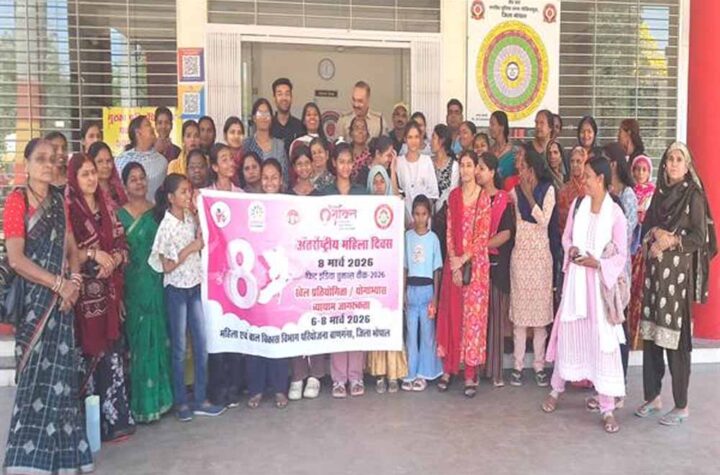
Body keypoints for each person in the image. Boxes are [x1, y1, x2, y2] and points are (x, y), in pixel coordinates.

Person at [2, 139, 94, 474]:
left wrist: (75, 281)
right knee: (34, 381)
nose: (47, 164)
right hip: (35, 305)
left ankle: (67, 459)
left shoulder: (58, 200)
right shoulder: (17, 200)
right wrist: (58, 284)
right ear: (26, 164)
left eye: (52, 159)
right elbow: (16, 259)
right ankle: (27, 462)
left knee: (63, 380)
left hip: (63, 304)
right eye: (39, 158)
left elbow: (71, 246)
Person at [543, 157, 628, 434]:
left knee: (601, 343)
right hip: (576, 284)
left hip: (599, 289)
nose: (584, 180)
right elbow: (566, 237)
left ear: (601, 179)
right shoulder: (578, 205)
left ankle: (607, 408)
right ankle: (556, 390)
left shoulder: (615, 214)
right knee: (569, 335)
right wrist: (570, 250)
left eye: (589, 176)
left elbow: (622, 255)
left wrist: (598, 263)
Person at [636, 142, 716, 426]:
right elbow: (646, 229)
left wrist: (672, 240)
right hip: (655, 277)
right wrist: (655, 233)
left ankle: (681, 405)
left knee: (676, 342)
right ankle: (653, 397)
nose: (672, 164)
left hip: (676, 282)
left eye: (678, 159)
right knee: (651, 338)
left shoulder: (693, 195)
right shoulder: (659, 194)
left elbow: (700, 238)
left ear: (687, 165)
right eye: (669, 159)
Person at [66, 153, 135, 442]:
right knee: (88, 357)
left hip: (109, 295)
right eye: (84, 174)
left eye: (93, 172)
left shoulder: (107, 206)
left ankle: (116, 420)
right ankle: (90, 426)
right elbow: (66, 253)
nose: (91, 178)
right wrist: (95, 254)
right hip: (82, 300)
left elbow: (123, 244)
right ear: (74, 178)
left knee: (112, 356)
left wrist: (115, 258)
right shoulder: (69, 210)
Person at [149, 174, 226, 421]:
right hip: (177, 290)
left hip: (195, 286)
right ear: (171, 197)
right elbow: (166, 266)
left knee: (202, 343)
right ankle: (181, 402)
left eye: (189, 191)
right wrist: (191, 248)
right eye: (183, 192)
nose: (187, 195)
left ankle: (201, 398)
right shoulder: (166, 226)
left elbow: (203, 235)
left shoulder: (191, 217)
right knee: (180, 347)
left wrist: (199, 207)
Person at [117, 162, 173, 423]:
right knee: (139, 345)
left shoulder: (158, 212)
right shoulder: (118, 216)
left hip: (157, 283)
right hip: (133, 288)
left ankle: (162, 400)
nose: (139, 183)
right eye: (133, 179)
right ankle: (142, 404)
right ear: (125, 185)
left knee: (159, 339)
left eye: (142, 178)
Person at [436, 150, 491, 398]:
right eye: (463, 165)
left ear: (476, 169)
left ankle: (470, 374)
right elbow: (449, 232)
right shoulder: (454, 196)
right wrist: (454, 263)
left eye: (470, 165)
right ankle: (449, 368)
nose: (466, 170)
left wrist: (463, 259)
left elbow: (482, 236)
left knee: (473, 322)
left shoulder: (483, 198)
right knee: (452, 316)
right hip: (455, 267)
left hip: (476, 269)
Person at [246, 158, 291, 409]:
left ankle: (280, 389)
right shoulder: (251, 206)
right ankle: (256, 389)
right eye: (265, 177)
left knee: (278, 335)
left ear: (281, 180)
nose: (270, 182)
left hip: (279, 281)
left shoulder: (288, 205)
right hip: (258, 277)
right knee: (257, 335)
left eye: (274, 177)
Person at [509, 145, 555, 387]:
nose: (521, 172)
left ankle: (539, 366)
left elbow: (544, 221)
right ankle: (517, 366)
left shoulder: (548, 190)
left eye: (525, 167)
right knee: (520, 319)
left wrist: (529, 195)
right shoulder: (514, 192)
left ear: (533, 168)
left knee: (539, 320)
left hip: (540, 261)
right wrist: (522, 193)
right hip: (521, 259)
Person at [322, 144, 366, 397]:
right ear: (333, 163)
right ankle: (339, 378)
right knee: (338, 321)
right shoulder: (324, 194)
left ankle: (356, 376)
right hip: (333, 266)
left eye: (350, 161)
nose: (346, 166)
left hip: (357, 266)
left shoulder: (362, 193)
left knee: (356, 319)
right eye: (341, 161)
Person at [286, 146, 326, 400]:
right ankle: (298, 374)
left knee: (315, 320)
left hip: (315, 267)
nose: (303, 168)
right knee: (294, 320)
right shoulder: (286, 196)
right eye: (298, 164)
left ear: (312, 165)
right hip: (293, 268)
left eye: (306, 163)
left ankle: (316, 375)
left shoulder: (321, 196)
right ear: (294, 167)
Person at [366, 165, 409, 393]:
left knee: (392, 322)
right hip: (372, 276)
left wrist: (393, 172)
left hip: (392, 274)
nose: (378, 186)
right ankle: (380, 373)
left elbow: (407, 228)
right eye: (375, 181)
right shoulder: (363, 211)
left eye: (382, 181)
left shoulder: (396, 208)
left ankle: (394, 372)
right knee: (376, 322)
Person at [476, 152, 515, 387]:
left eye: (482, 168)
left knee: (496, 319)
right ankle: (477, 368)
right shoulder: (473, 197)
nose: (477, 172)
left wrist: (481, 247)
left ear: (492, 172)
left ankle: (495, 371)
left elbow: (507, 233)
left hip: (496, 266)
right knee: (477, 320)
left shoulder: (503, 199)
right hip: (476, 267)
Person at [399, 194, 443, 392]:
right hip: (411, 290)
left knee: (427, 335)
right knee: (411, 334)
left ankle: (424, 373)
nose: (420, 218)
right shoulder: (407, 237)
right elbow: (405, 267)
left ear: (429, 215)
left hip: (427, 291)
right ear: (412, 214)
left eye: (423, 214)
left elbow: (436, 270)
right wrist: (403, 292)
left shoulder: (433, 239)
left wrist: (435, 297)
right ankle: (410, 373)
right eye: (416, 214)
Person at [604, 142, 638, 378]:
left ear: (614, 164)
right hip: (600, 267)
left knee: (618, 321)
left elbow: (625, 233)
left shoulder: (628, 195)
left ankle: (620, 376)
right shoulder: (604, 192)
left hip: (618, 269)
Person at [627, 154, 655, 348]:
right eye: (637, 169)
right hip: (629, 249)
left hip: (645, 249)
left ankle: (640, 337)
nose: (640, 173)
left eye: (644, 169)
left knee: (641, 292)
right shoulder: (628, 192)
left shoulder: (654, 194)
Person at [392, 121, 439, 226]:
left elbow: (433, 194)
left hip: (424, 221)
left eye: (416, 137)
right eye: (410, 137)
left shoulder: (427, 161)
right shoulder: (399, 162)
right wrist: (392, 168)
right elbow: (396, 193)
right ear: (405, 139)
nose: (413, 141)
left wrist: (422, 217)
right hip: (404, 218)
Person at [115, 115, 168, 202]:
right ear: (138, 132)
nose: (152, 128)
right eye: (147, 125)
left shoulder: (162, 161)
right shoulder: (122, 160)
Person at [244, 98, 289, 182]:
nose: (264, 117)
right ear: (254, 118)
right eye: (260, 113)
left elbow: (285, 176)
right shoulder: (246, 144)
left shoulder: (279, 145)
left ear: (271, 118)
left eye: (267, 113)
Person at [88, 141, 128, 210]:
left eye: (108, 161)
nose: (105, 165)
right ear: (91, 163)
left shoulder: (119, 190)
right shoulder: (89, 193)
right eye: (100, 161)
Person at [557, 146, 588, 233]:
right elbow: (560, 221)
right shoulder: (563, 190)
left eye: (579, 161)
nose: (574, 165)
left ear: (585, 163)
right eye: (572, 161)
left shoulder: (591, 188)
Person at [270, 77, 305, 152]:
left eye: (287, 94)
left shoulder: (300, 126)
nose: (284, 98)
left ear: (291, 98)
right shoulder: (268, 126)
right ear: (274, 98)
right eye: (280, 94)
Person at [489, 111, 517, 179]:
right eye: (490, 124)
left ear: (502, 127)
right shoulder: (490, 151)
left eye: (492, 124)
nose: (490, 128)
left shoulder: (514, 153)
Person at [349, 116, 373, 185]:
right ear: (351, 133)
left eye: (363, 128)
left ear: (367, 133)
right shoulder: (346, 155)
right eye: (356, 128)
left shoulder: (372, 156)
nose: (360, 131)